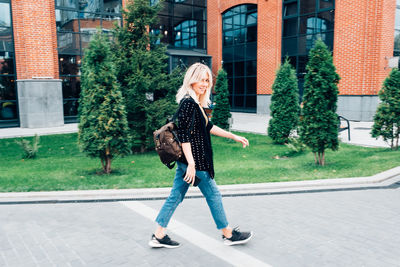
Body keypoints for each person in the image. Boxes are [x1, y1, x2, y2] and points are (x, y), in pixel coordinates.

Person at [149, 63, 253, 249]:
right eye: (201, 80)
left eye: (207, 80)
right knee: (213, 195)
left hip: (188, 163)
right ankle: (228, 234)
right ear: (192, 80)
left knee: (175, 196)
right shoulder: (189, 103)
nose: (205, 84)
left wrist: (233, 136)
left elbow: (209, 128)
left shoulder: (195, 102)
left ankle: (158, 234)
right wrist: (191, 164)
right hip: (196, 164)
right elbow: (186, 136)